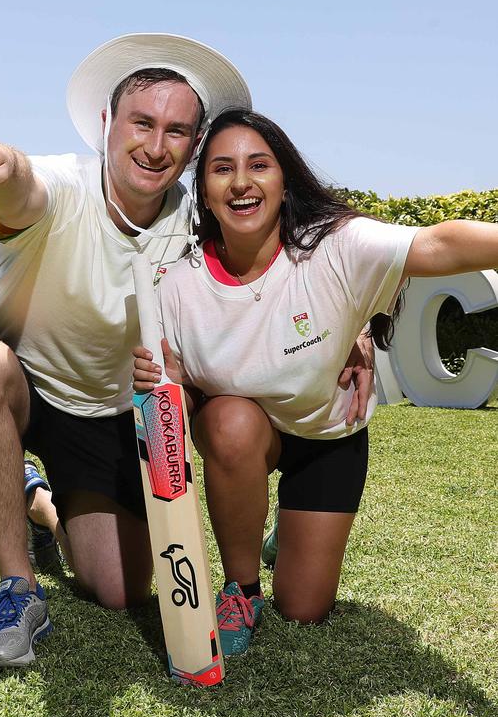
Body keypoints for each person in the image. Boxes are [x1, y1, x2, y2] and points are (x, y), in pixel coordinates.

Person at [0, 36, 371, 669]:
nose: (156, 146)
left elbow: (290, 253)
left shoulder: (199, 221)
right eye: (142, 122)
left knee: (116, 588)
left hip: (112, 416)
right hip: (26, 388)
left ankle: (37, 499)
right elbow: (20, 188)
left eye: (178, 131)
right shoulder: (62, 184)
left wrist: (351, 324)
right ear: (107, 123)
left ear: (194, 147)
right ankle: (18, 588)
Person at [133, 107, 498, 656]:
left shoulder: (336, 246)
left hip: (328, 437)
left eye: (259, 165)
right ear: (203, 193)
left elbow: (440, 244)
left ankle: (288, 535)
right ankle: (242, 588)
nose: (241, 183)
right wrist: (166, 386)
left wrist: (360, 335)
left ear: (284, 181)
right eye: (221, 169)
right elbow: (177, 409)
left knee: (305, 609)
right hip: (244, 437)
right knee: (230, 419)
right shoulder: (177, 285)